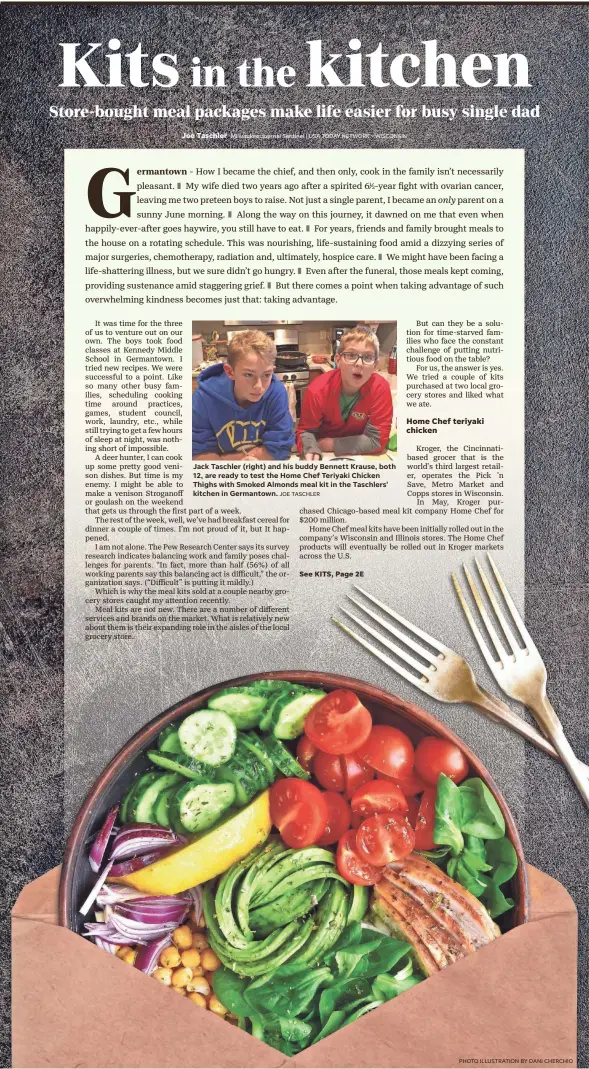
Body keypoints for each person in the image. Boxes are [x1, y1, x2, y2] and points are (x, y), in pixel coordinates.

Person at [192, 329, 295, 461]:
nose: (259, 386)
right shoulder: (204, 398)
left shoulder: (276, 392)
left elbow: (280, 449)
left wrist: (226, 459)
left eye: (266, 375)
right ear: (230, 372)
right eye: (248, 375)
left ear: (273, 371)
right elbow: (198, 454)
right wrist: (252, 456)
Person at [296, 326, 392, 459]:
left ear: (375, 365)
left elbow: (376, 441)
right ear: (338, 360)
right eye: (351, 355)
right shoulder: (317, 390)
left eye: (368, 357)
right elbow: (306, 431)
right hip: (323, 454)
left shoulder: (380, 389)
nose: (359, 364)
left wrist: (331, 444)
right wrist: (311, 449)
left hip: (357, 455)